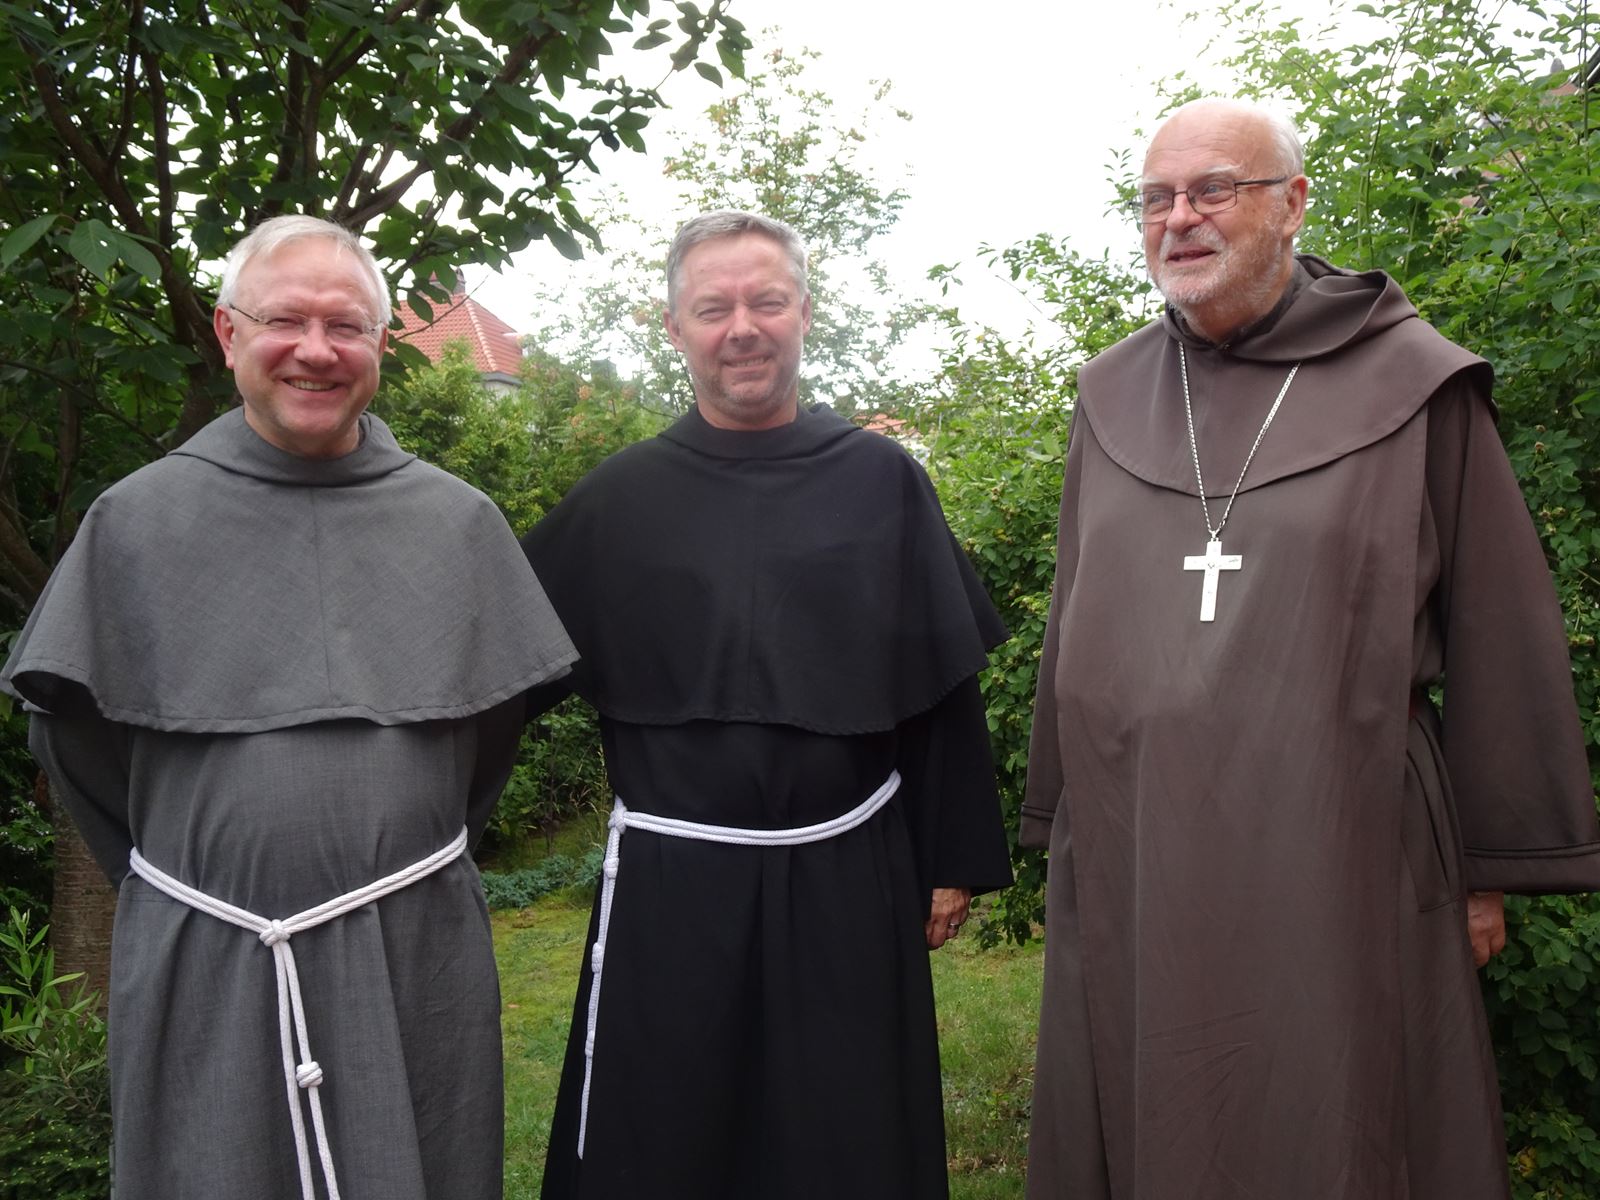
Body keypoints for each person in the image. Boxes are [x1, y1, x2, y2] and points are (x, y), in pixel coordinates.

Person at [1022, 98, 1600, 1200]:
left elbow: (1497, 622)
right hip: (1138, 836)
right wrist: (1061, 818)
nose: (1178, 219)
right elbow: (1073, 609)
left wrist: (1495, 863)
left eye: (1212, 190)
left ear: (1290, 203)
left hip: (1339, 839)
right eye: (1155, 198)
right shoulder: (1109, 393)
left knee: (1336, 1106)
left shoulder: (1415, 381)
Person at [1, 215, 577, 1200]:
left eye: (347, 326)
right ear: (229, 336)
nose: (316, 350)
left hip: (412, 953)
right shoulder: (136, 523)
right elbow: (80, 753)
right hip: (206, 954)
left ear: (380, 348)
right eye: (285, 322)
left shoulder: (456, 526)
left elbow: (481, 750)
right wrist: (208, 871)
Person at [521, 209, 1013, 1199]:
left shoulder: (883, 483)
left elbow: (938, 685)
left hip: (848, 870)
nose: (741, 327)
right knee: (662, 1138)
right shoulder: (622, 500)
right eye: (713, 308)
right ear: (675, 329)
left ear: (803, 314)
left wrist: (951, 859)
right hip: (671, 880)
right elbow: (499, 668)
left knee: (843, 1136)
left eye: (765, 301)